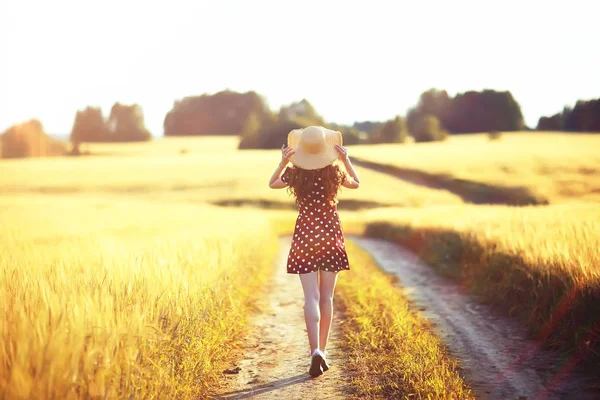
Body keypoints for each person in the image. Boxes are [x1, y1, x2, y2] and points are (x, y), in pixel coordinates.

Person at [268, 126, 360, 378]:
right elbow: (356, 184)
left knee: (310, 297)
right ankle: (323, 351)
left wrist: (283, 161)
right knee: (326, 297)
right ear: (325, 148)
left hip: (305, 234)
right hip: (330, 233)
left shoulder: (295, 173)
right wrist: (345, 159)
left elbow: (272, 183)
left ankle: (314, 351)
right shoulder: (334, 171)